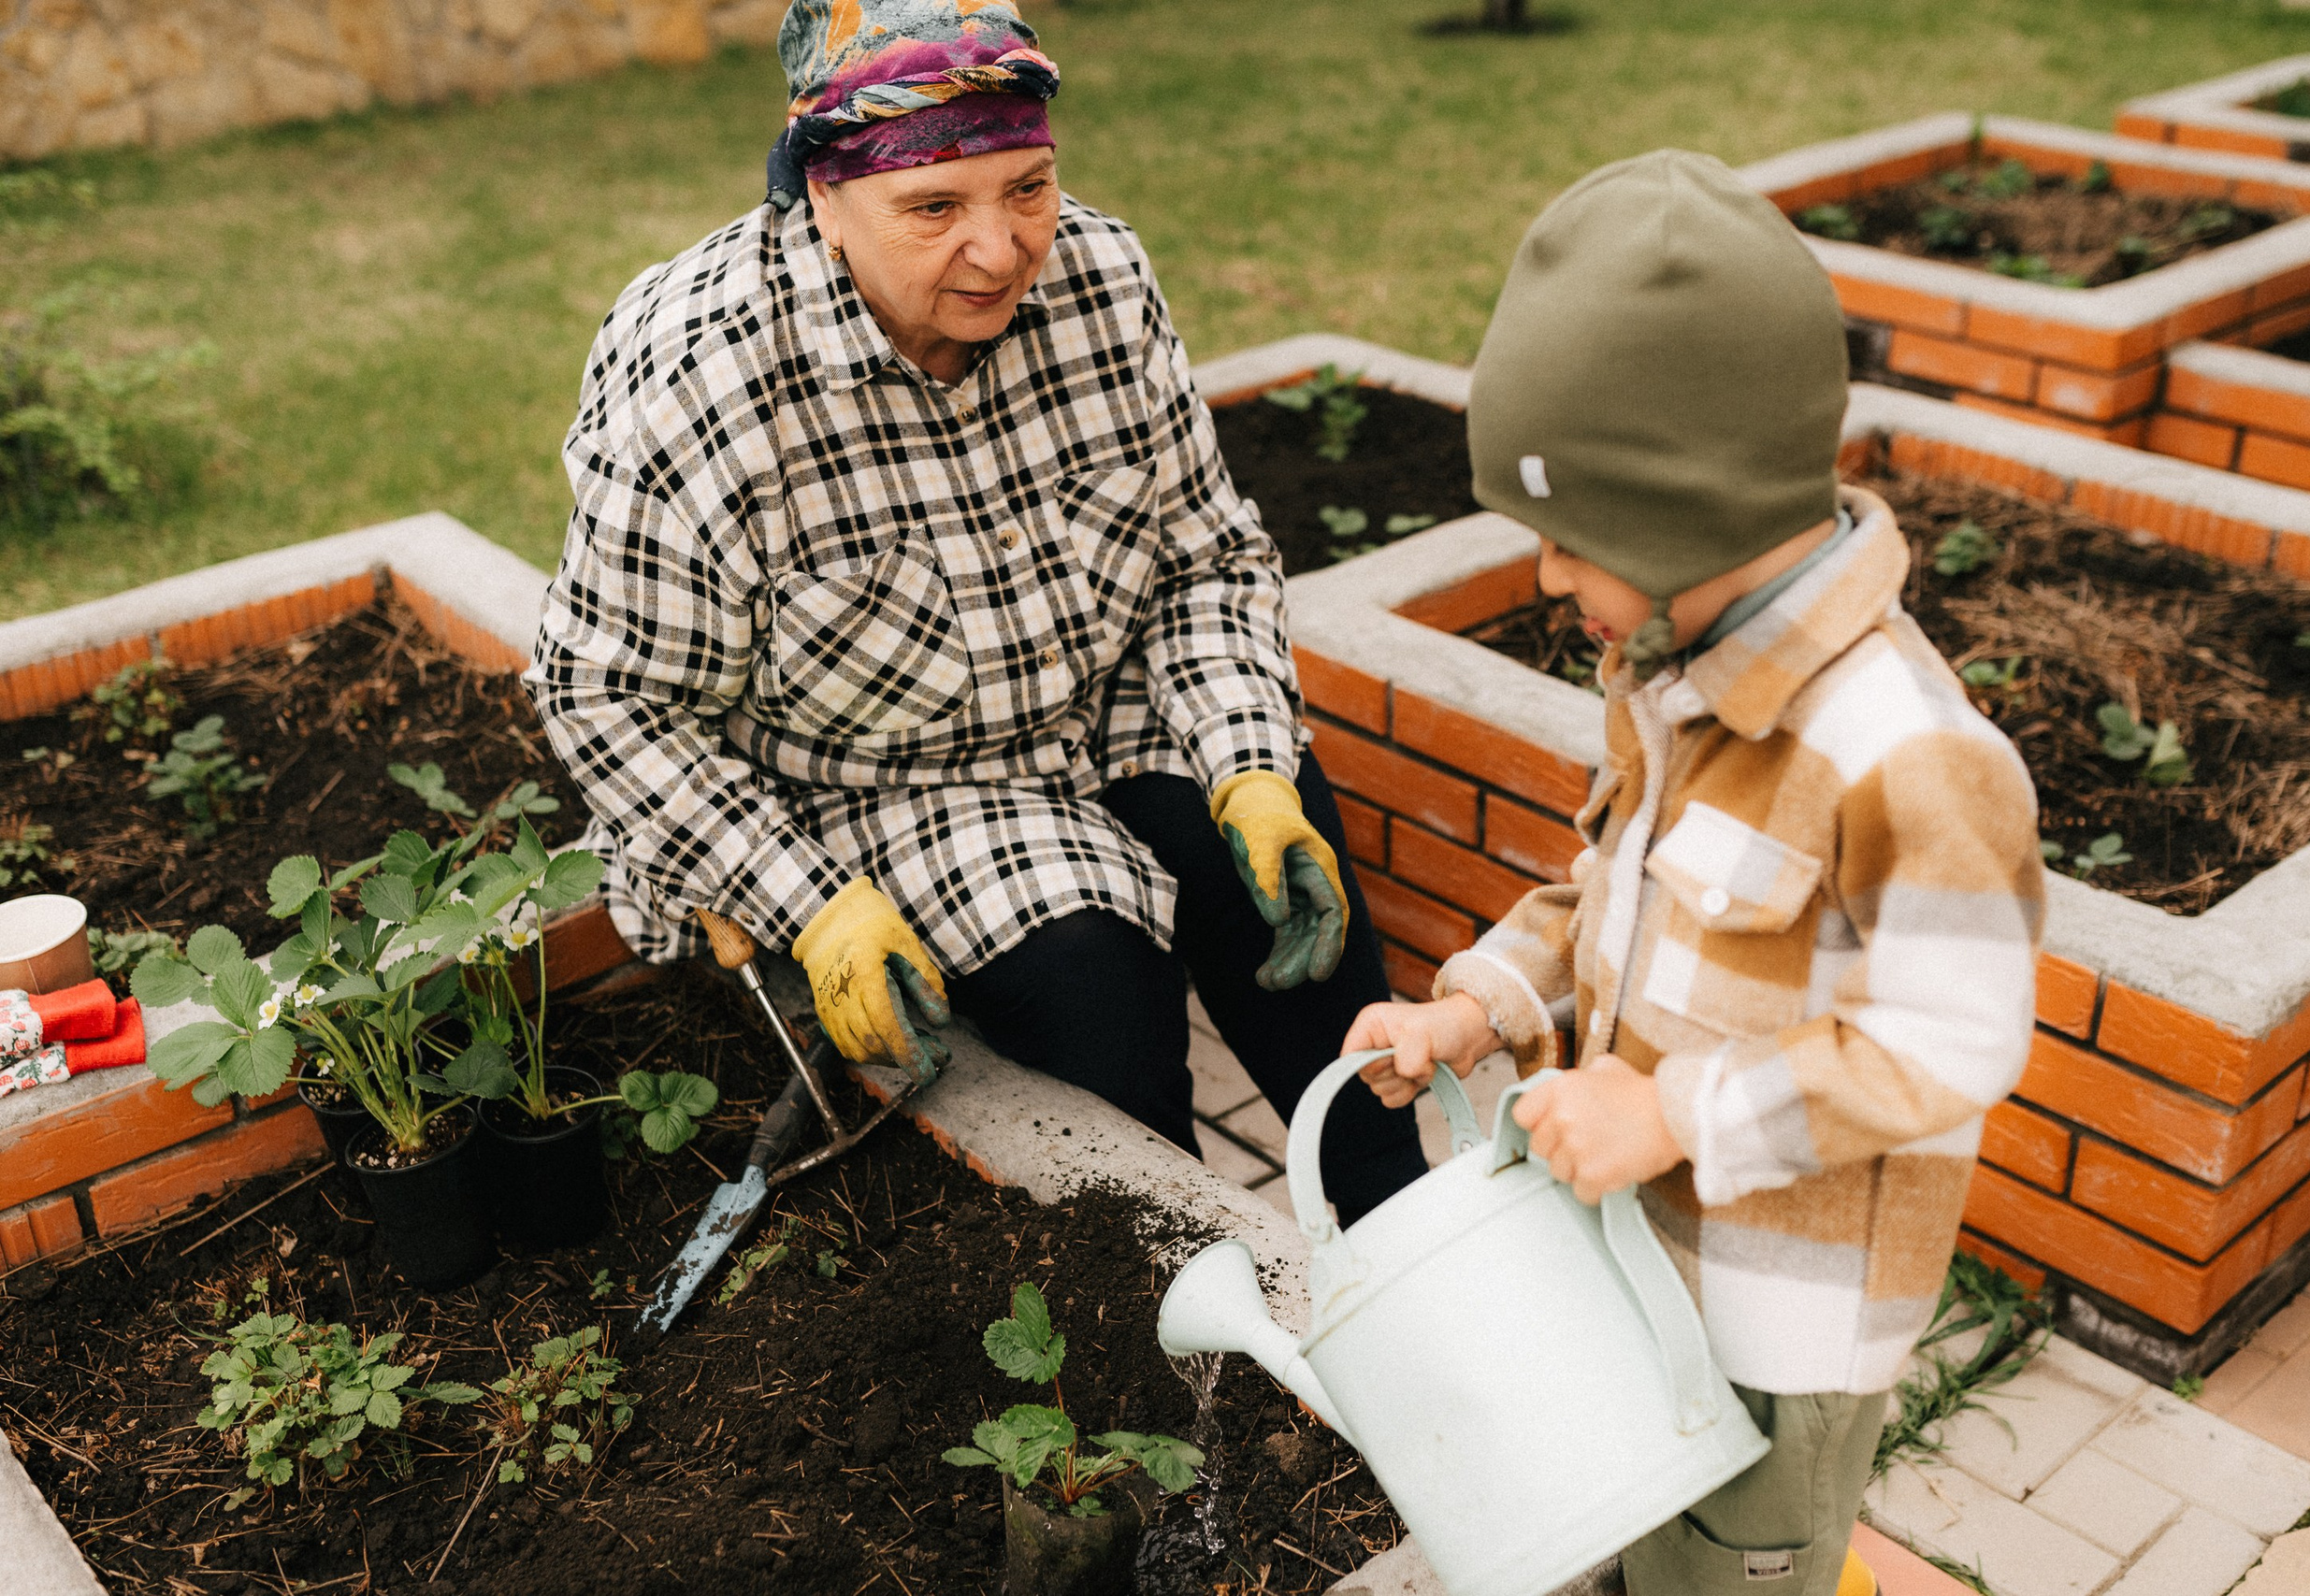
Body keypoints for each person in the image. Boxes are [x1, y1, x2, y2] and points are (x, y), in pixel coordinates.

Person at [527, 0, 1426, 1218]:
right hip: (885, 782)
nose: (1003, 252)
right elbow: (608, 696)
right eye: (935, 208)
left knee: (1289, 903)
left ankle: (1406, 1232)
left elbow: (1203, 564)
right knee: (1102, 1005)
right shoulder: (704, 369)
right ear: (821, 199)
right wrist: (811, 904)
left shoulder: (1104, 279)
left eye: (1029, 188)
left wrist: (1253, 764)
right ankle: (1202, 1309)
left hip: (1105, 698)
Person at [1343, 151, 2044, 1596]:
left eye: (1566, 540)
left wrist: (1672, 1111)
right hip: (1640, 1277)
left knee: (1736, 1575)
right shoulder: (1671, 674)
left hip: (1775, 1340)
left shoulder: (1902, 753)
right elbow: (1611, 896)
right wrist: (1475, 1008)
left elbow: (1954, 1040)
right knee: (1637, 1547)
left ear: (1682, 518)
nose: (1544, 579)